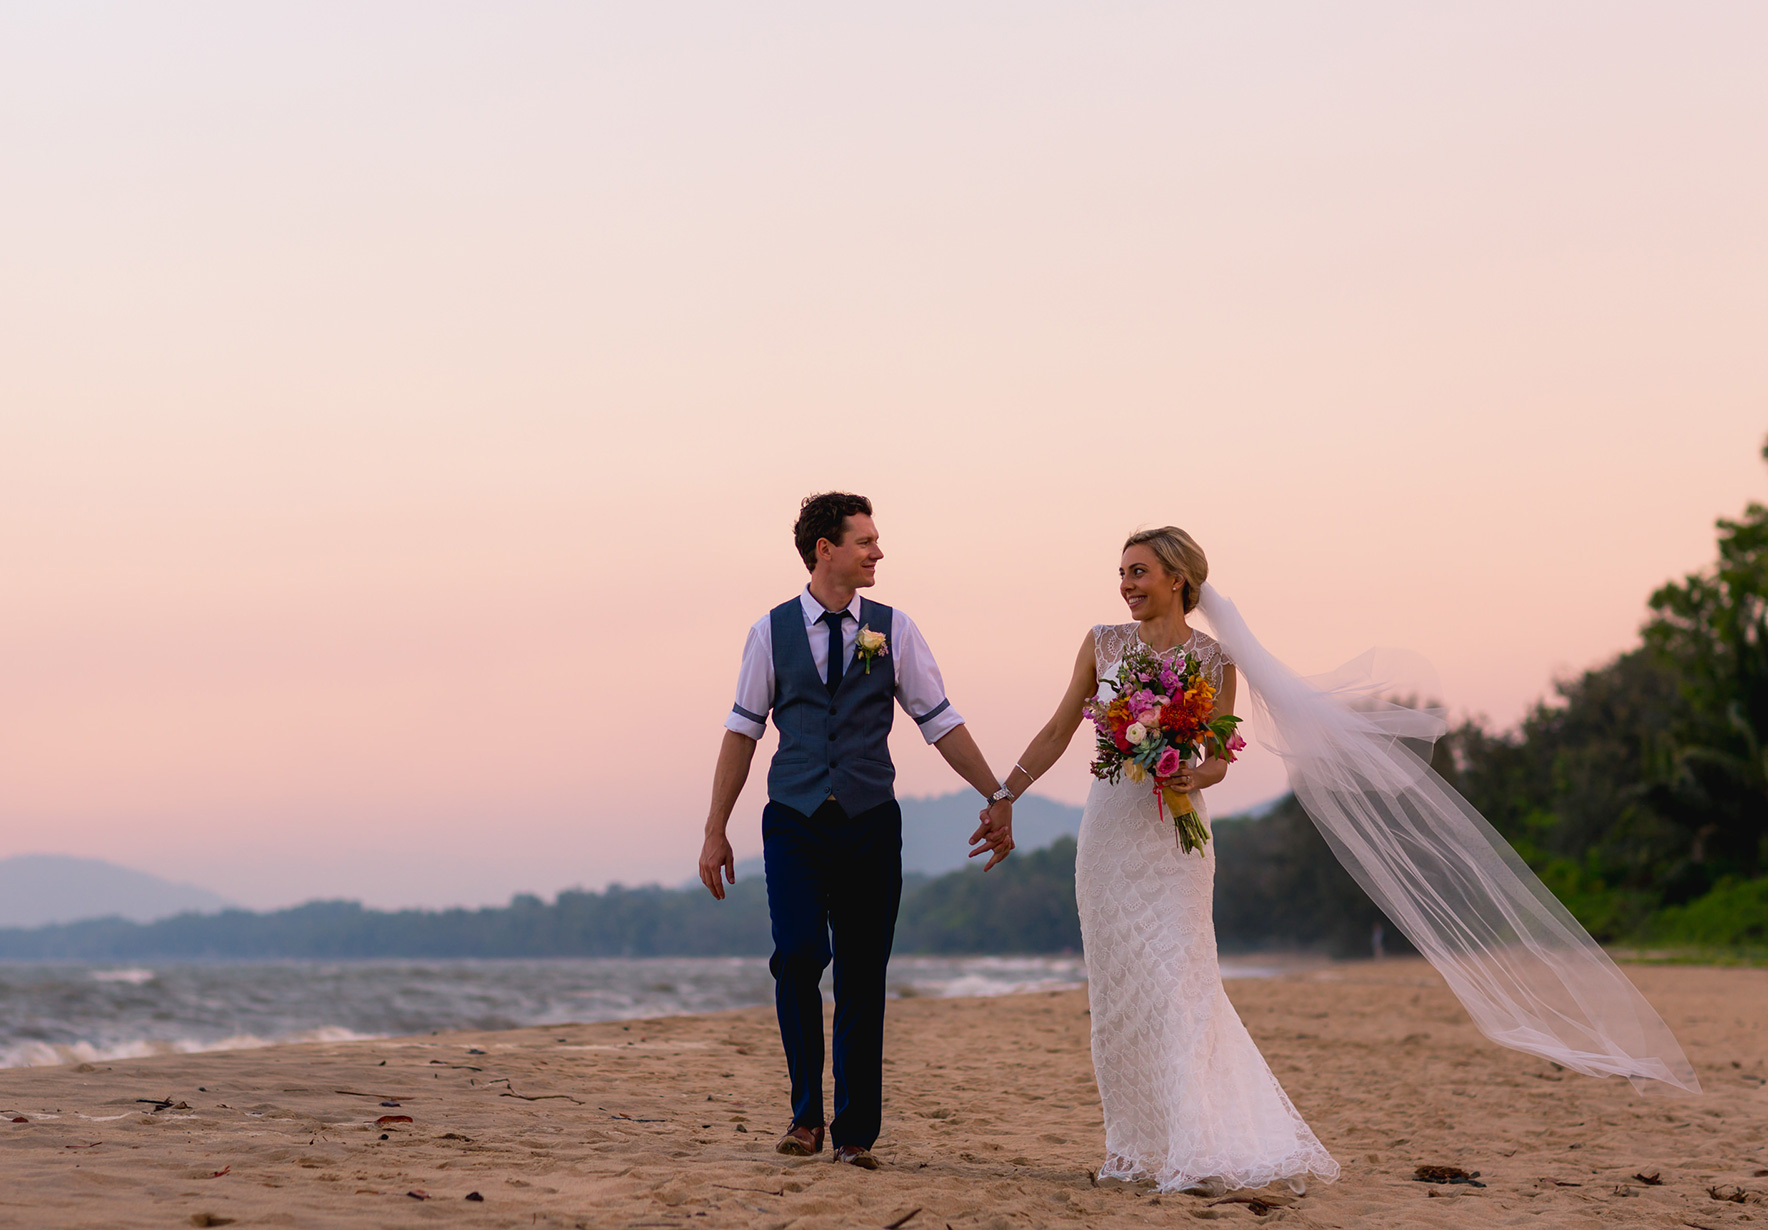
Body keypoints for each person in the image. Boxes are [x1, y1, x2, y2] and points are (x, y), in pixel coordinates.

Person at [982, 525, 1698, 1194]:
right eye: (1121, 573)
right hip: (1108, 831)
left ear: (1177, 577)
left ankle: (1192, 1144)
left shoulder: (1213, 661)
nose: (1125, 585)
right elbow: (1056, 727)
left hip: (1174, 836)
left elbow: (1218, 759)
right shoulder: (1102, 644)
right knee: (1117, 995)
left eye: (1138, 572)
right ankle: (1133, 1148)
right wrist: (1005, 792)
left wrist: (1188, 773)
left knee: (1177, 980)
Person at [697, 492, 1012, 1170]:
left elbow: (941, 721)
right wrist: (715, 830)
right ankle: (805, 1117)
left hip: (870, 820)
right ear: (825, 550)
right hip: (794, 822)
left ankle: (855, 1134)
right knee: (800, 954)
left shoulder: (895, 630)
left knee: (864, 974)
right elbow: (742, 732)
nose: (877, 552)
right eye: (865, 541)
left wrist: (997, 793)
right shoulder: (768, 632)